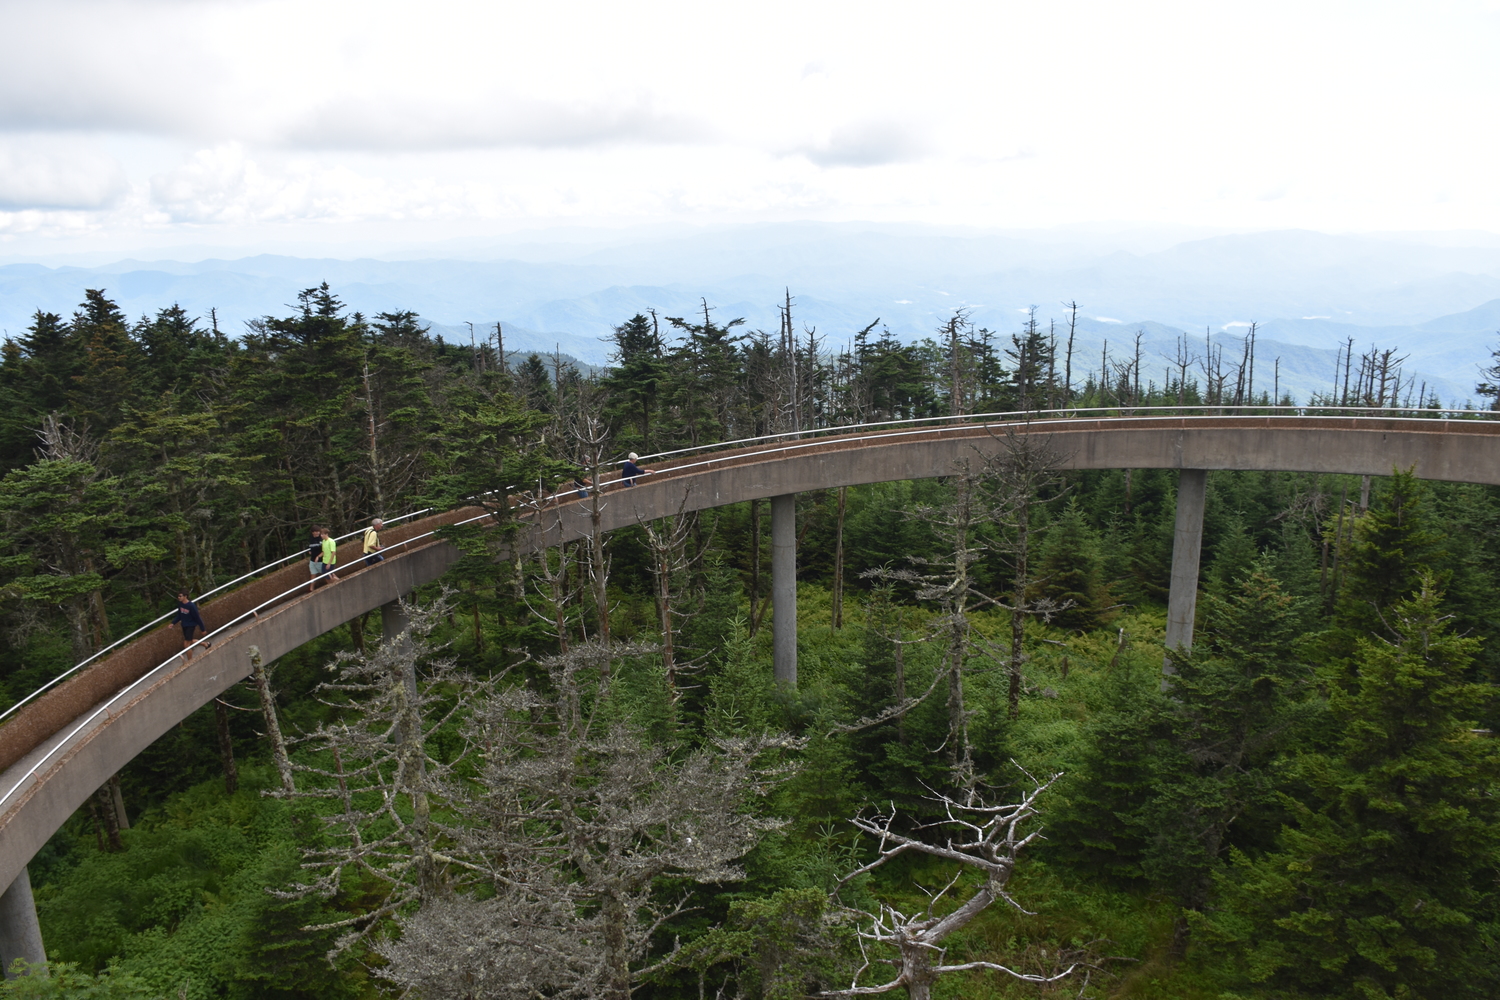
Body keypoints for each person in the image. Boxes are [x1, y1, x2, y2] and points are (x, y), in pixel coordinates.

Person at [172, 590, 209, 657]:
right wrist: (173, 623)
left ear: (185, 596)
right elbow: (179, 615)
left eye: (180, 596)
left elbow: (197, 618)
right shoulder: (180, 605)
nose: (179, 597)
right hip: (184, 625)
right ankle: (205, 644)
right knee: (190, 640)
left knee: (186, 644)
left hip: (191, 625)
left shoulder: (191, 606)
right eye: (178, 596)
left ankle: (190, 661)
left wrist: (202, 629)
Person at [308, 527, 324, 593]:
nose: (317, 533)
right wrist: (309, 551)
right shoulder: (311, 539)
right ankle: (311, 588)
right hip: (312, 560)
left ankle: (336, 581)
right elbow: (309, 547)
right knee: (313, 574)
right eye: (315, 531)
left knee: (327, 573)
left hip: (320, 560)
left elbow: (324, 550)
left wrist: (318, 556)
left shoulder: (321, 539)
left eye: (318, 531)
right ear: (312, 532)